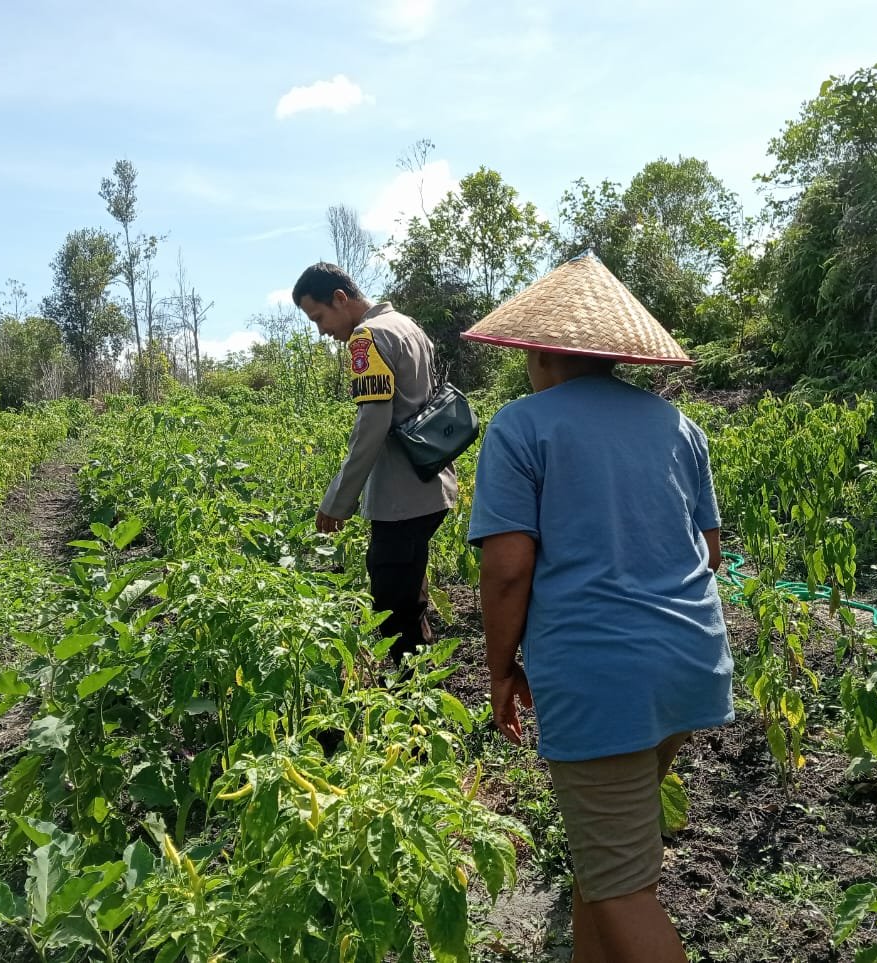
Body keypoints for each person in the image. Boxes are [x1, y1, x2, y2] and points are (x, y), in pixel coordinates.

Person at [464, 253, 734, 963]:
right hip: (693, 663)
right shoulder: (679, 426)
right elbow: (708, 551)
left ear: (542, 350)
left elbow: (507, 571)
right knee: (602, 859)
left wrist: (499, 669)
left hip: (600, 674)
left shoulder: (522, 428)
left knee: (620, 885)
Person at [292, 262, 457, 667]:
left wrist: (337, 500)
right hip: (432, 484)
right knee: (410, 591)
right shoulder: (407, 325)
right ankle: (421, 684)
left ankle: (407, 705)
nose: (322, 331)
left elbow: (372, 425)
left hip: (400, 496)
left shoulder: (366, 339)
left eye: (319, 317)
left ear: (340, 298)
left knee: (392, 606)